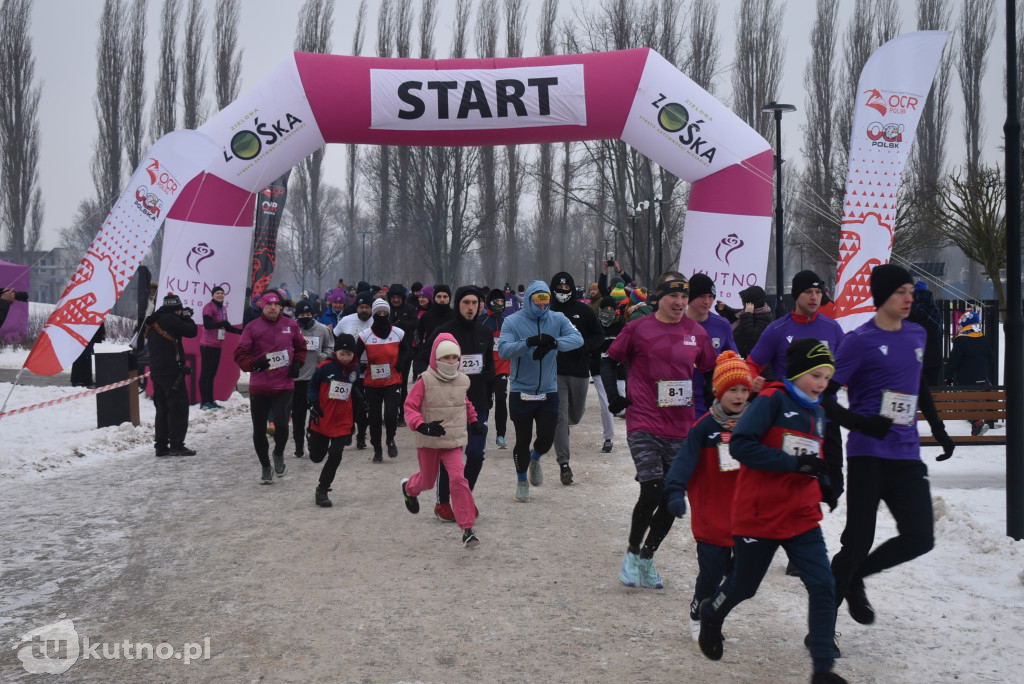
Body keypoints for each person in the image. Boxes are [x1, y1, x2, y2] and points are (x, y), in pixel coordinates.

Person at [695, 338, 846, 684]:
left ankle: (823, 670)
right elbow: (743, 447)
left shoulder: (818, 412)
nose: (822, 383)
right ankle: (712, 613)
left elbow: (811, 458)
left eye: (827, 376)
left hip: (802, 517)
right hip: (759, 514)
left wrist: (824, 484)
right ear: (797, 374)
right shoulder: (771, 400)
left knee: (823, 584)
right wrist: (794, 465)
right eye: (816, 375)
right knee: (744, 586)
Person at [830, 264, 956, 632]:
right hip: (868, 454)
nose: (908, 298)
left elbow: (918, 386)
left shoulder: (916, 334)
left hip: (906, 455)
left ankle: (856, 577)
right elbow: (824, 397)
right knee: (856, 543)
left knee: (920, 537)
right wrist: (861, 423)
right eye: (901, 291)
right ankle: (823, 627)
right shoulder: (858, 341)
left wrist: (939, 430)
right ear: (882, 295)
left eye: (910, 292)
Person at [601, 277, 716, 589]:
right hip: (644, 421)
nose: (680, 302)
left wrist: (710, 412)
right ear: (659, 299)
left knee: (670, 496)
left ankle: (648, 559)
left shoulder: (697, 333)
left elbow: (709, 373)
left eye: (684, 297)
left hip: (681, 427)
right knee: (652, 488)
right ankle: (632, 554)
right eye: (674, 296)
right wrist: (614, 397)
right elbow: (608, 362)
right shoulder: (639, 329)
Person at [664, 351, 752, 640]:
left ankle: (715, 612)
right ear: (718, 391)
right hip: (712, 518)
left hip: (746, 519)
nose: (739, 396)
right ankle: (698, 611)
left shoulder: (755, 426)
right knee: (711, 575)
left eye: (744, 390)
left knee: (743, 577)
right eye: (732, 390)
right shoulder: (703, 428)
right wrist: (675, 490)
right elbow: (683, 463)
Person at [746, 270, 846, 503]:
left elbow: (848, 369)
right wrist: (754, 380)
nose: (814, 297)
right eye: (808, 292)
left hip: (825, 418)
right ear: (796, 295)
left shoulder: (833, 329)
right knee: (789, 484)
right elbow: (752, 364)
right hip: (788, 421)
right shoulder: (777, 329)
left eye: (818, 292)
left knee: (834, 485)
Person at [497, 280, 584, 502]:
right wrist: (530, 342)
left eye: (546, 304)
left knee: (546, 438)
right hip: (521, 391)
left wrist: (554, 342)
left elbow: (577, 339)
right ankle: (521, 481)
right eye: (539, 304)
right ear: (529, 301)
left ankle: (536, 459)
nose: (543, 309)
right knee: (522, 439)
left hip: (548, 390)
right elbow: (504, 350)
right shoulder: (512, 321)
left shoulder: (557, 319)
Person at [400, 333, 485, 548]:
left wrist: (474, 421)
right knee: (427, 481)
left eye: (454, 358)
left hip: (453, 441)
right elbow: (409, 407)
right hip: (428, 441)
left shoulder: (462, 380)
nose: (450, 362)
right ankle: (409, 488)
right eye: (445, 357)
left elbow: (464, 403)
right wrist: (422, 426)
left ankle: (467, 529)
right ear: (436, 358)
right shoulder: (424, 381)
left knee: (459, 480)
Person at [418, 286, 494, 521]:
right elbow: (424, 360)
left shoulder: (484, 333)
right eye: (466, 303)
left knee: (476, 454)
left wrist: (491, 393)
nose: (471, 307)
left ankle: (464, 497)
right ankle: (442, 503)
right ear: (458, 305)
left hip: (478, 403)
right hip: (448, 404)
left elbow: (489, 367)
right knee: (449, 453)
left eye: (475, 303)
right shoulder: (444, 333)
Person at [234, 291, 307, 483]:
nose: (273, 308)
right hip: (260, 387)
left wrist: (297, 364)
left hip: (284, 384)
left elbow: (301, 347)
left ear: (281, 307)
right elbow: (240, 353)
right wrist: (254, 364)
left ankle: (278, 453)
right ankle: (266, 466)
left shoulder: (291, 325)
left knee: (282, 425)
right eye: (269, 305)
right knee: (259, 430)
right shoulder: (252, 327)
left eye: (276, 305)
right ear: (262, 306)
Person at [549, 271, 604, 484]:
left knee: (574, 416)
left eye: (567, 289)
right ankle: (564, 464)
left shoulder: (584, 310)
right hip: (555, 372)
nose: (563, 292)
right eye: (559, 289)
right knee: (559, 416)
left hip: (579, 371)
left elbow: (598, 335)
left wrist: (584, 346)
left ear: (572, 289)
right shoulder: (548, 311)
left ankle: (564, 432)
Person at [306, 333, 361, 507]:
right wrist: (313, 403)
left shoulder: (355, 369)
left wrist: (362, 403)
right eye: (342, 354)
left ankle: (322, 489)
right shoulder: (325, 367)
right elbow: (312, 386)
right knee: (316, 457)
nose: (345, 358)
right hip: (322, 417)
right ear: (336, 352)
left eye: (349, 354)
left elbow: (353, 389)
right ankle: (310, 436)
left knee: (336, 454)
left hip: (343, 420)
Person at [355, 298, 410, 462]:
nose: (382, 315)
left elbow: (407, 351)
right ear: (373, 314)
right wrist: (360, 366)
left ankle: (390, 439)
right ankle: (377, 448)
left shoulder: (398, 333)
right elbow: (355, 357)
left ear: (388, 313)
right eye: (378, 313)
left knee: (391, 415)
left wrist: (401, 363)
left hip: (393, 380)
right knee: (374, 418)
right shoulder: (365, 336)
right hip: (372, 383)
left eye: (384, 312)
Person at [144, 293, 198, 457]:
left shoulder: (155, 319)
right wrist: (188, 317)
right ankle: (176, 444)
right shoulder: (171, 319)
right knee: (178, 407)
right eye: (180, 310)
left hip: (157, 371)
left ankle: (161, 445)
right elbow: (192, 331)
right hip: (172, 373)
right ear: (176, 309)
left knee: (162, 409)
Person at [685, 273, 739, 418]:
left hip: (711, 404)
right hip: (680, 404)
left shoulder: (722, 325)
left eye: (711, 296)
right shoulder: (676, 323)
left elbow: (733, 362)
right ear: (690, 297)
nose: (707, 301)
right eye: (702, 296)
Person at [292, 299, 334, 457]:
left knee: (315, 411)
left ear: (313, 314)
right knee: (297, 414)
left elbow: (330, 346)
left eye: (308, 314)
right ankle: (298, 444)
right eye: (302, 314)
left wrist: (326, 356)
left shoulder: (322, 329)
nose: (305, 316)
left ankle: (311, 436)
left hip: (315, 379)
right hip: (297, 379)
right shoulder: (292, 329)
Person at [335, 291, 374, 449]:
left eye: (367, 307)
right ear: (356, 307)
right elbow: (337, 338)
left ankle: (362, 434)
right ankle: (350, 429)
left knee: (367, 405)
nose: (364, 310)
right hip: (350, 370)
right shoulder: (346, 321)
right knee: (352, 402)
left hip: (372, 370)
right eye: (361, 307)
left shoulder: (376, 321)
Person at [943, 310, 992, 435]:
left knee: (964, 403)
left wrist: (947, 377)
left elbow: (953, 361)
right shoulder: (984, 339)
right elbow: (991, 358)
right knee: (975, 402)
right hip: (982, 379)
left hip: (965, 380)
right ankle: (976, 427)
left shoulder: (961, 341)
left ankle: (977, 423)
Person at [590, 297, 625, 452]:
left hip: (618, 370)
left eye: (611, 309)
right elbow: (591, 347)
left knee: (622, 407)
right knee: (606, 405)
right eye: (605, 310)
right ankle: (608, 438)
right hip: (600, 371)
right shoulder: (595, 325)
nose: (608, 312)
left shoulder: (621, 325)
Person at [199, 286, 243, 410]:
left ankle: (210, 400)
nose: (220, 295)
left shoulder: (223, 308)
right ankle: (204, 402)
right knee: (206, 374)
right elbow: (207, 325)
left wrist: (239, 331)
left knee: (212, 374)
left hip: (217, 345)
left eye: (222, 293)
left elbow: (226, 326)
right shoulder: (209, 307)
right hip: (207, 345)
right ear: (213, 295)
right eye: (217, 293)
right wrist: (221, 324)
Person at [480, 289, 511, 450]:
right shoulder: (482, 321)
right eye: (496, 301)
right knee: (485, 402)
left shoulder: (508, 321)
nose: (500, 304)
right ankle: (482, 432)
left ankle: (501, 435)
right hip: (486, 368)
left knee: (501, 398)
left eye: (502, 302)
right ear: (490, 302)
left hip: (503, 367)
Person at [908, 281, 943, 387]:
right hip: (934, 358)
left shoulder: (912, 310)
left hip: (916, 357)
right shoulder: (935, 310)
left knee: (916, 390)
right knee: (933, 390)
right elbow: (939, 332)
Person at [731, 285, 774, 358]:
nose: (742, 303)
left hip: (752, 360)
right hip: (739, 355)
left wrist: (748, 314)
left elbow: (751, 336)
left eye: (744, 301)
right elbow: (735, 316)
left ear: (752, 303)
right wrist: (723, 308)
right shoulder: (750, 311)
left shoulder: (765, 318)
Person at [70, 323, 106, 387]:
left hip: (87, 333)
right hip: (84, 333)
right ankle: (80, 381)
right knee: (82, 355)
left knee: (85, 355)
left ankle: (85, 380)